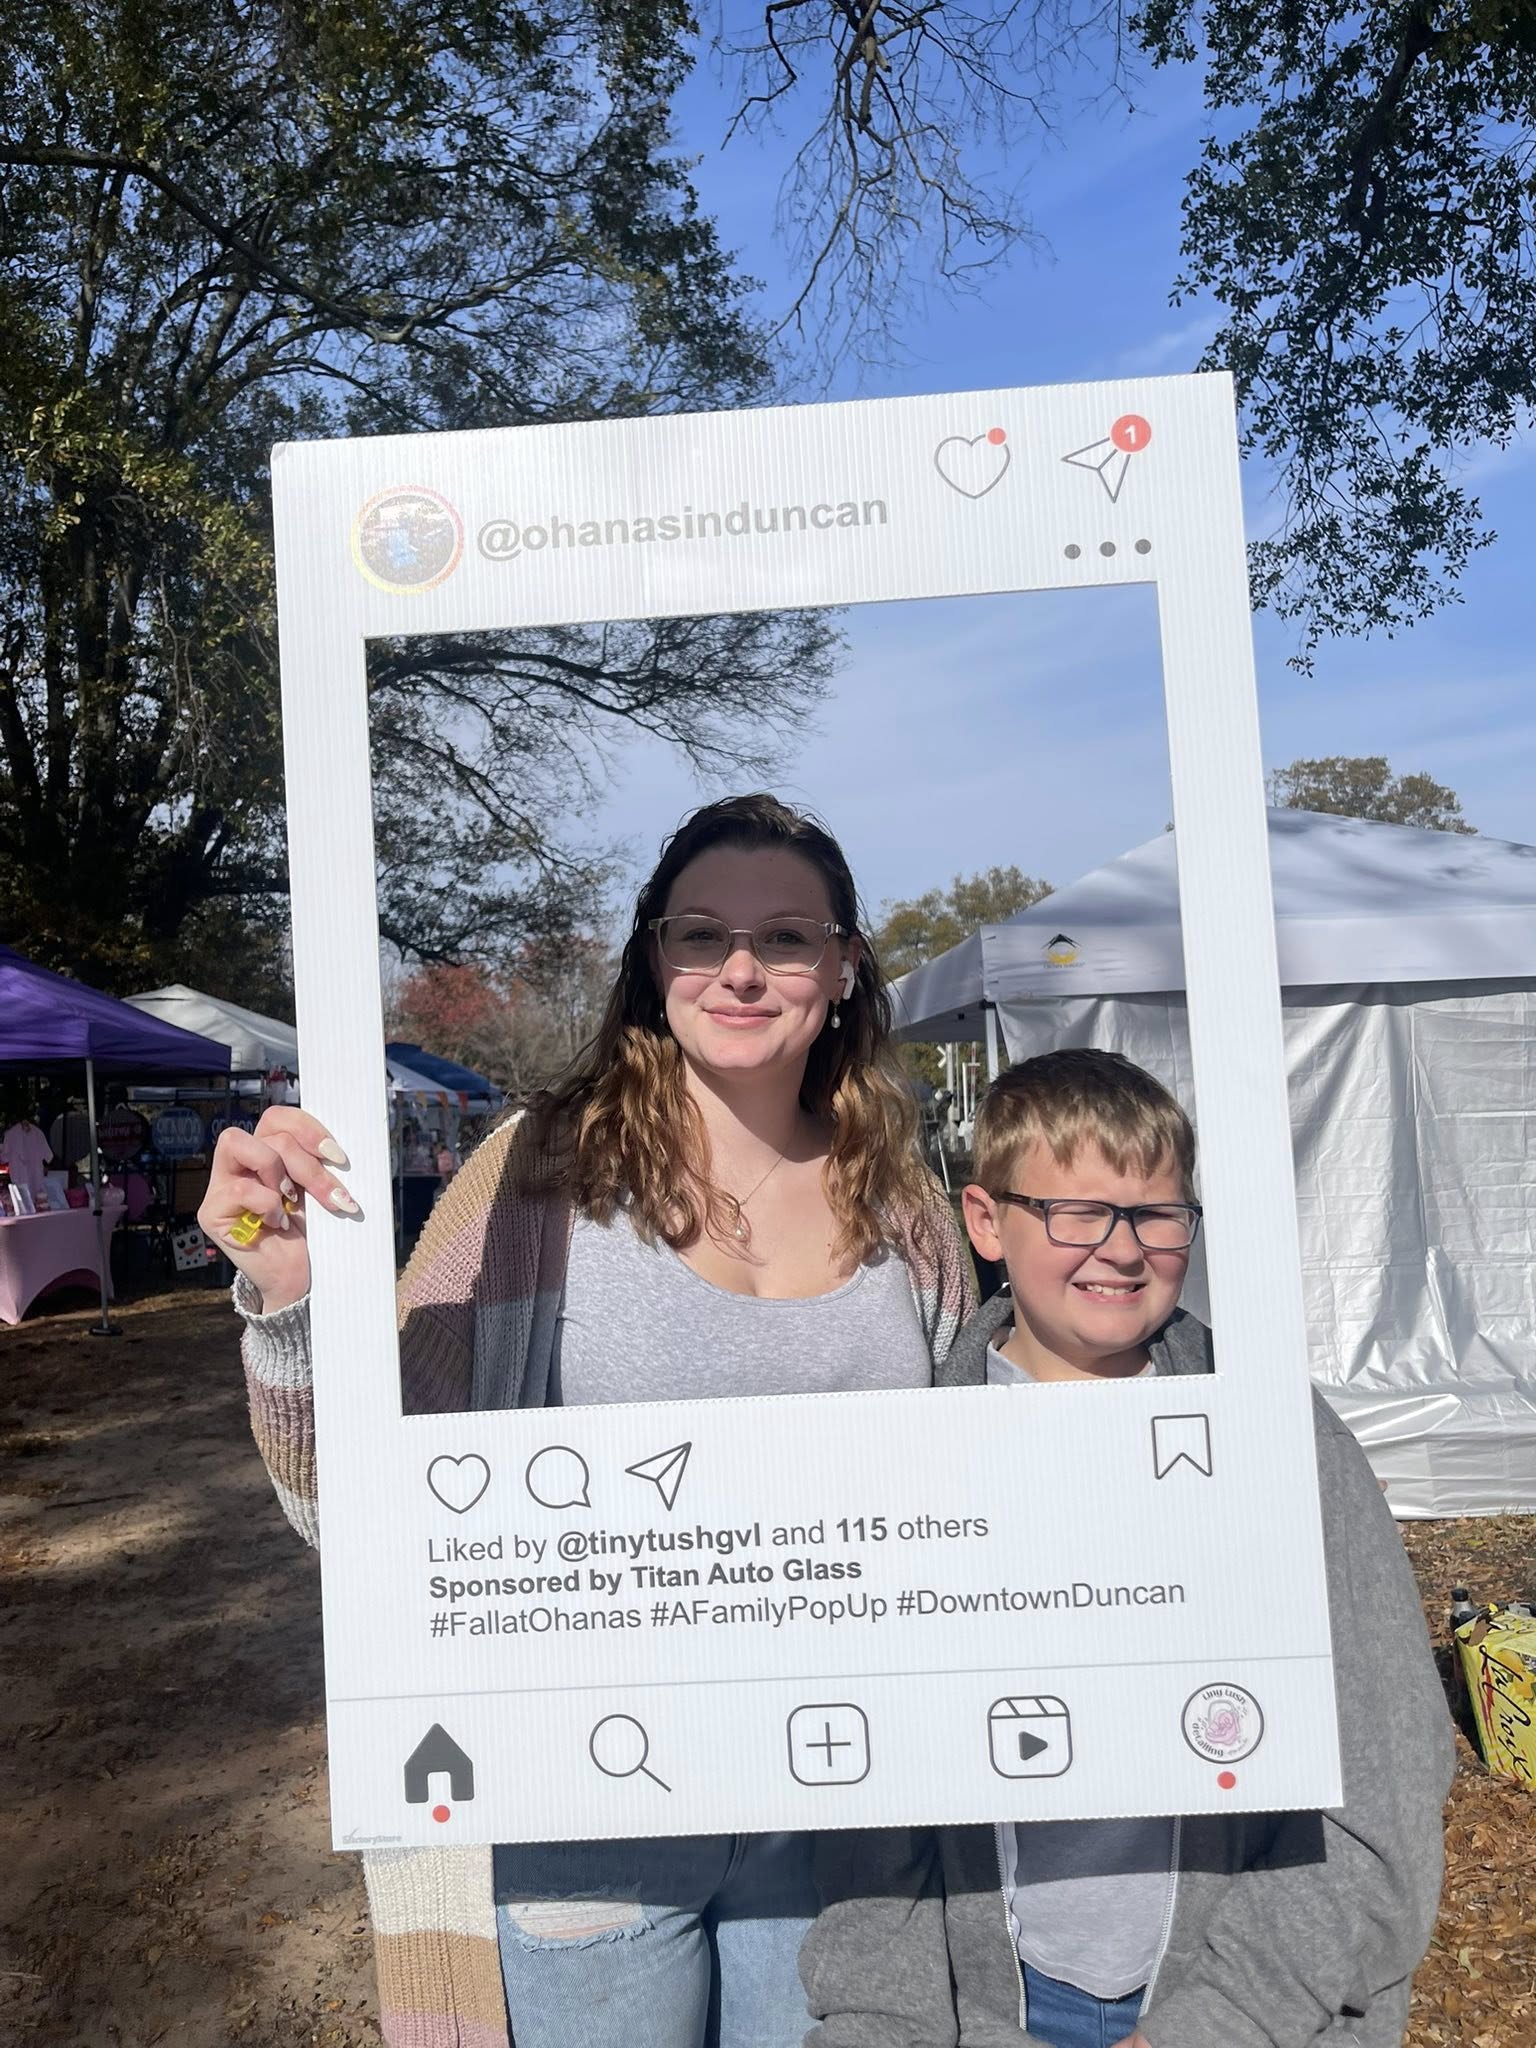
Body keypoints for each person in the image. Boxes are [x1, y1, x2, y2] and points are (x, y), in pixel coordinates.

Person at [199, 793, 975, 2048]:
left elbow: (984, 1497)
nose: (739, 969)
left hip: (844, 1817)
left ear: (843, 967)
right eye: (701, 933)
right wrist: (289, 1288)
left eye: (786, 936)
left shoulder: (907, 1202)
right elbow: (351, 1508)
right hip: (589, 1819)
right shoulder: (529, 1179)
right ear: (654, 961)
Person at [803, 1049, 1452, 2048]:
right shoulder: (909, 1453)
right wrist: (884, 2020)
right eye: (1076, 1212)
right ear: (986, 1221)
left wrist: (1222, 2021)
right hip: (990, 2010)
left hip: (1248, 2005)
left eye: (1157, 1215)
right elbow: (870, 1798)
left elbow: (1385, 1781)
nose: (1121, 1249)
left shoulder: (1280, 1441)